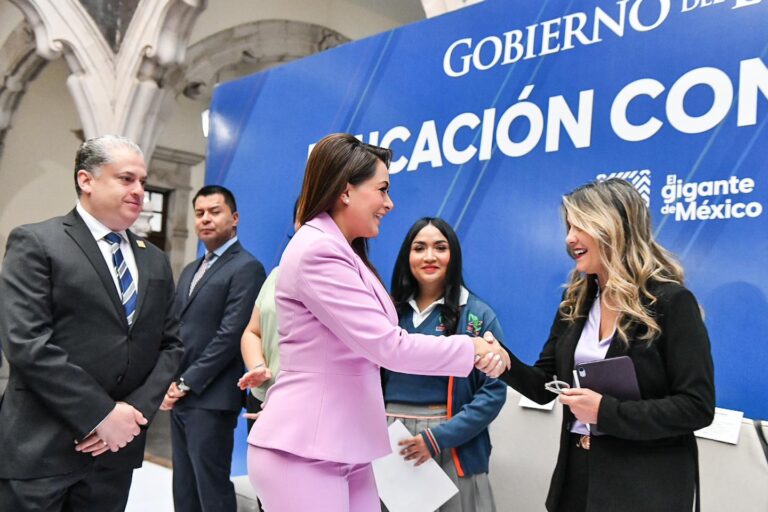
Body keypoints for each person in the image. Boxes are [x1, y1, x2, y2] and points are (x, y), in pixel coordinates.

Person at [246, 133, 510, 512]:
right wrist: (472, 348)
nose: (389, 203)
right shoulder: (319, 250)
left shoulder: (342, 251)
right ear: (346, 191)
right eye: (382, 189)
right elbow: (388, 346)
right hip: (306, 450)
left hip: (344, 447)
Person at [499, 178, 715, 512]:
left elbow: (696, 406)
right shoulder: (574, 304)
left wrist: (605, 412)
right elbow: (545, 387)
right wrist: (503, 362)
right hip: (577, 480)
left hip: (643, 489)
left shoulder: (671, 302)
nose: (569, 239)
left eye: (580, 226)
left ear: (614, 227)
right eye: (569, 227)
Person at [0, 135, 184, 512]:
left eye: (143, 181)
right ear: (86, 180)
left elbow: (171, 345)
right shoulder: (37, 243)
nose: (139, 191)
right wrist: (100, 414)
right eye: (126, 179)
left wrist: (131, 415)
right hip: (42, 449)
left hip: (115, 454)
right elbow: (26, 343)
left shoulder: (155, 260)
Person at [382, 217, 507, 512]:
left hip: (451, 443)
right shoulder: (386, 313)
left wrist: (437, 438)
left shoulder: (477, 315)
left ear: (454, 256)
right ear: (407, 257)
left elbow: (493, 392)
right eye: (419, 248)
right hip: (389, 441)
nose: (429, 256)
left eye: (440, 247)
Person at [160, 185, 265, 512]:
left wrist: (186, 382)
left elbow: (229, 335)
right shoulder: (191, 270)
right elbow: (177, 330)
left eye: (214, 212)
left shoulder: (247, 267)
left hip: (212, 398)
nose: (205, 219)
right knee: (184, 489)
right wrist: (170, 382)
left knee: (211, 490)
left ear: (234, 218)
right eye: (200, 213)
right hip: (181, 396)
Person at [238, 202, 300, 432]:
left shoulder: (342, 278)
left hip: (305, 407)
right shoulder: (276, 275)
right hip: (263, 397)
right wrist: (258, 367)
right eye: (302, 218)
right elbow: (252, 331)